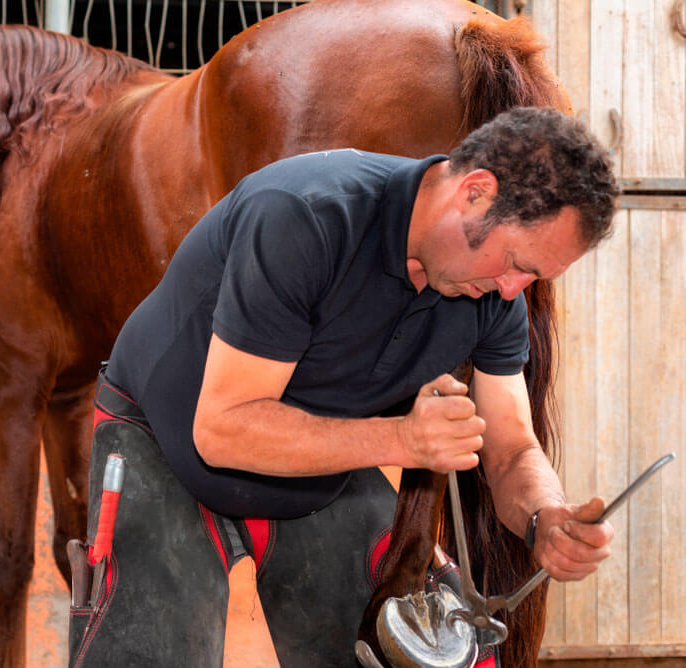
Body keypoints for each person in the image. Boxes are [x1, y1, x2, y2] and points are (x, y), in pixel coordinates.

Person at [67, 107, 620, 667]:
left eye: (534, 278)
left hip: (319, 466)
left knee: (399, 655)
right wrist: (404, 440)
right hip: (166, 438)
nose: (512, 289)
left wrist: (544, 516)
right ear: (474, 193)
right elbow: (221, 429)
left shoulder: (492, 296)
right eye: (514, 262)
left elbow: (511, 449)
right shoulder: (304, 216)